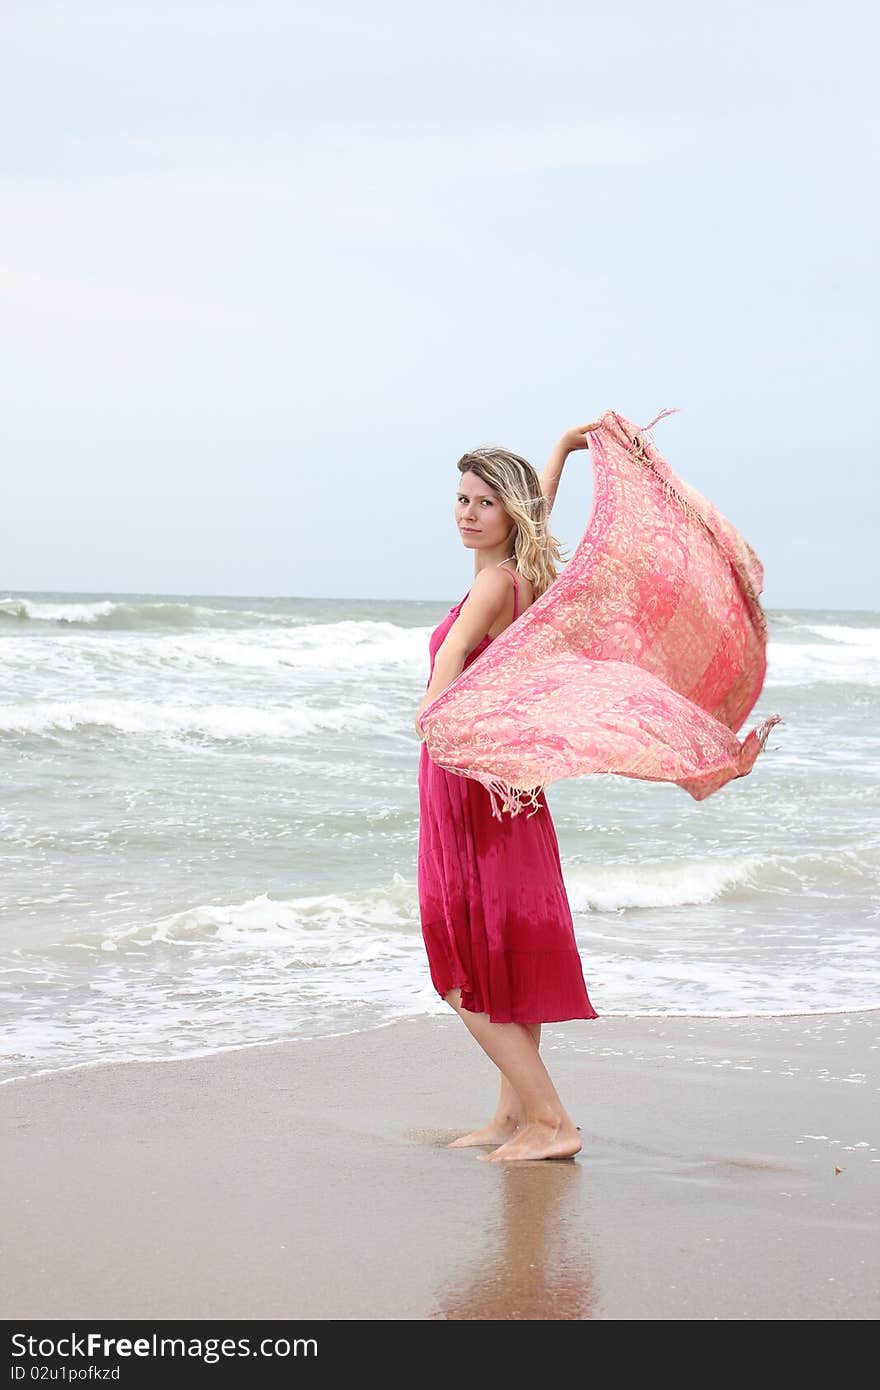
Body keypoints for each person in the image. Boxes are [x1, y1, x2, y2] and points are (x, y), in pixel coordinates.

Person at [415, 425, 602, 1162]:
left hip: (470, 785)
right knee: (504, 952)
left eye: (483, 502)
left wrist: (431, 713)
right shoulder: (524, 574)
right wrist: (560, 449)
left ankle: (554, 1122)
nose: (467, 513)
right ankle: (517, 1117)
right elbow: (539, 509)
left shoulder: (495, 584)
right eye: (461, 498)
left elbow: (457, 653)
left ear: (506, 513)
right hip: (507, 785)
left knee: (457, 964)